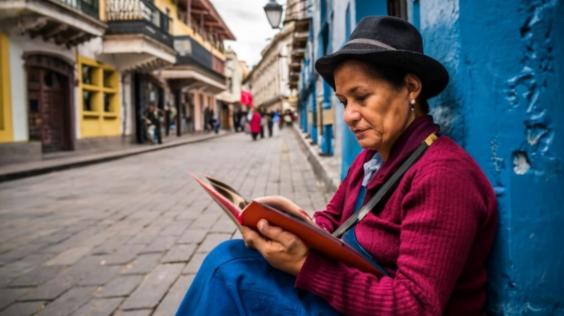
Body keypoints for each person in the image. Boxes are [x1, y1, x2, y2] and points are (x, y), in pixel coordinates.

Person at [177, 16, 497, 315]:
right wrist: (291, 220)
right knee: (233, 255)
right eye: (344, 101)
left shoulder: (443, 175)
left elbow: (415, 306)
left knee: (229, 272)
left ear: (411, 88)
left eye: (362, 97)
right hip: (351, 289)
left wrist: (304, 265)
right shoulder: (370, 159)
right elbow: (333, 221)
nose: (348, 116)